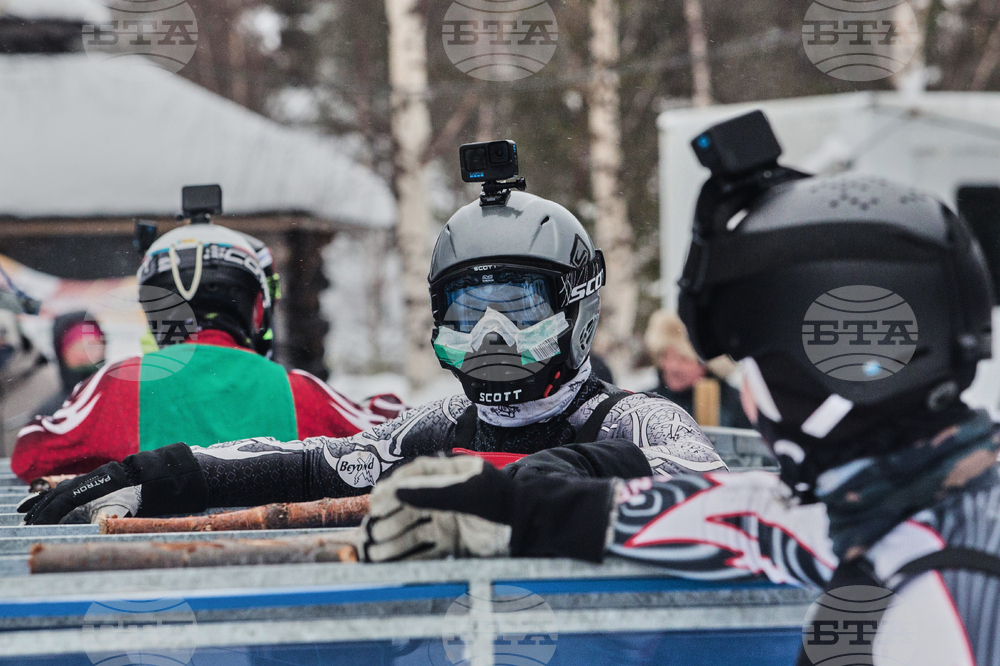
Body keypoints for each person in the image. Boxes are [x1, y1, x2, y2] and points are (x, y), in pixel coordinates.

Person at [356, 120, 1000, 662]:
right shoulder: (893, 507)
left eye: (755, 361)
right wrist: (504, 509)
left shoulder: (936, 597)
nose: (749, 394)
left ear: (815, 377)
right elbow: (740, 519)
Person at [19, 188, 725, 522]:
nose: (490, 339)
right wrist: (158, 476)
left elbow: (711, 496)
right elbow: (312, 460)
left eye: (516, 308)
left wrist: (536, 477)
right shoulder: (438, 427)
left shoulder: (636, 422)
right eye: (466, 312)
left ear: (576, 305)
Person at [11, 223, 400, 482]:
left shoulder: (118, 388)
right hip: (277, 584)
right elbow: (390, 431)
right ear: (257, 309)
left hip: (152, 590)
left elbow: (32, 453)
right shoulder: (297, 391)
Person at [644, 309, 750, 428]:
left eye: (683, 359)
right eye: (665, 357)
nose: (673, 367)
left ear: (705, 365)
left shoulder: (738, 406)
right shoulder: (644, 403)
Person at [35, 311, 106, 417]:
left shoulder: (124, 398)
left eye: (93, 345)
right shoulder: (49, 415)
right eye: (78, 346)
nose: (86, 354)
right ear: (61, 353)